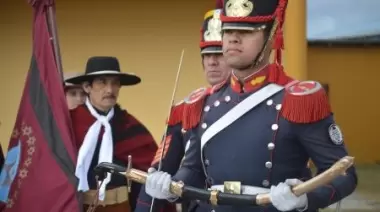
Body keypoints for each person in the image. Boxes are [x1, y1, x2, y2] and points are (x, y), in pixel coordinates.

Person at [143, 0, 358, 212]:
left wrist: (304, 198)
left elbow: (343, 173)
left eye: (246, 31)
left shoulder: (298, 100)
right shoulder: (205, 103)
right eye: (228, 31)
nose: (234, 39)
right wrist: (169, 187)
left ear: (271, 36)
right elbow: (193, 170)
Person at [134, 8, 231, 212]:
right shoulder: (186, 109)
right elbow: (160, 170)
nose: (212, 62)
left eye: (219, 54)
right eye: (207, 55)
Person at [65, 56, 158, 212]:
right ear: (87, 87)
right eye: (102, 82)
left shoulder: (129, 125)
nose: (110, 90)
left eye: (115, 83)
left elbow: (152, 171)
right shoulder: (69, 123)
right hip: (79, 207)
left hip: (119, 207)